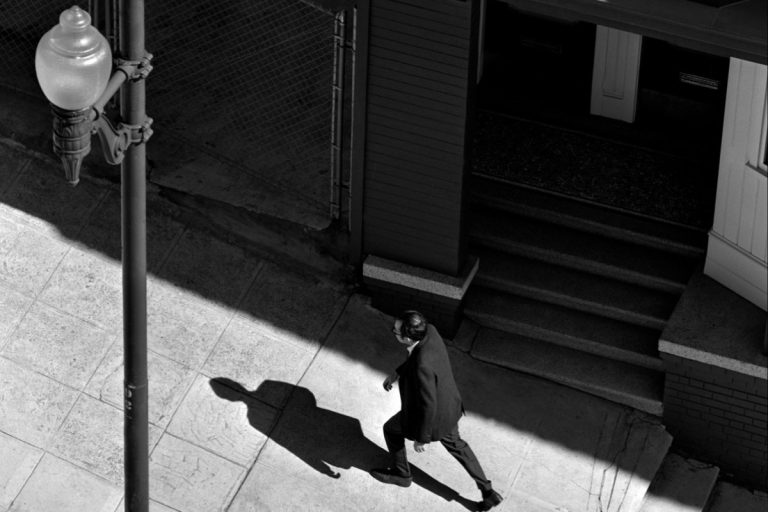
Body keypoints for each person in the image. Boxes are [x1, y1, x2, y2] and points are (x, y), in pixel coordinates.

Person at [371, 310, 503, 511]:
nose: (394, 332)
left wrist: (422, 438)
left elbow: (427, 405)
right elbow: (415, 358)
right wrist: (397, 372)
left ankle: (402, 475)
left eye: (395, 331)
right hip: (450, 407)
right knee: (459, 447)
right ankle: (488, 492)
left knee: (391, 429)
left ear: (406, 338)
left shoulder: (421, 366)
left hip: (432, 417)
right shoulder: (430, 332)